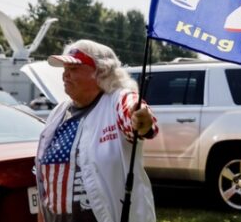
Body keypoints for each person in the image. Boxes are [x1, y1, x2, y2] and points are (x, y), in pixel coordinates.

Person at [35, 39, 158, 222]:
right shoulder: (59, 112)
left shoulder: (117, 99)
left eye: (74, 69)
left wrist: (142, 119)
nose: (65, 76)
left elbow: (134, 112)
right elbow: (45, 176)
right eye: (65, 70)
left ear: (101, 72)